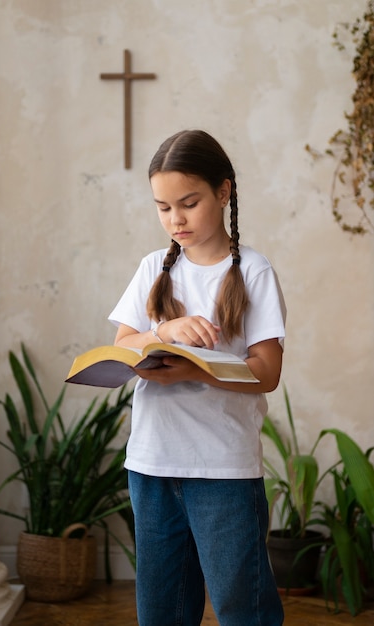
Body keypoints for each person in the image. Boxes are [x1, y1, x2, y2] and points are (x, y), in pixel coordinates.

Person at [108, 129, 286, 626]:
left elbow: (267, 372)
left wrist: (196, 370)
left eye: (189, 203)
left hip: (223, 470)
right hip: (152, 464)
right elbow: (122, 347)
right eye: (163, 207)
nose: (176, 220)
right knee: (162, 609)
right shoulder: (152, 269)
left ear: (223, 192)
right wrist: (161, 331)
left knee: (240, 607)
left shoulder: (253, 271)